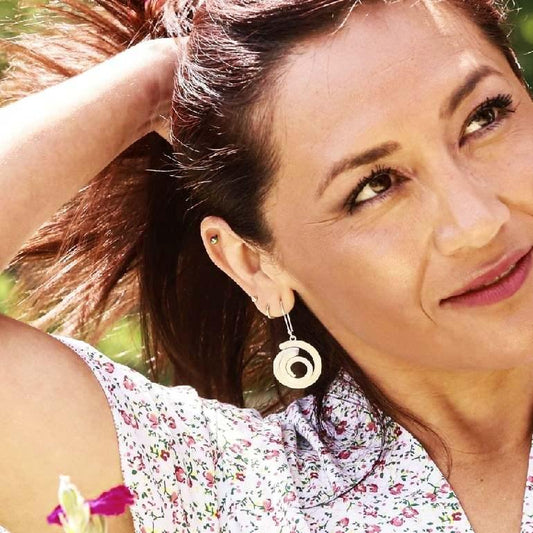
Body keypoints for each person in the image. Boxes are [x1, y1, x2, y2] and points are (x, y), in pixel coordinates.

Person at [0, 0, 532, 531]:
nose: (477, 222)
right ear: (254, 264)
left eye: (485, 117)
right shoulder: (225, 493)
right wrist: (159, 79)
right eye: (374, 186)